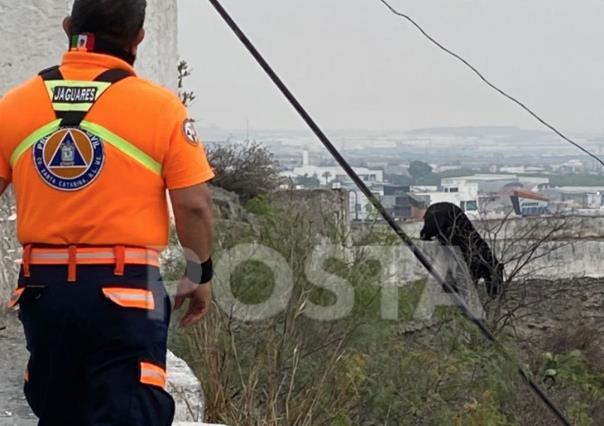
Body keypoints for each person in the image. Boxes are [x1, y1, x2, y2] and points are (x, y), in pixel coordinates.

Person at [0, 0, 215, 424]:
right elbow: (194, 204)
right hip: (126, 293)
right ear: (138, 38)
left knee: (59, 410)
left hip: (44, 290)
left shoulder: (13, 107)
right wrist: (199, 273)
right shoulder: (160, 109)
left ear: (68, 28)